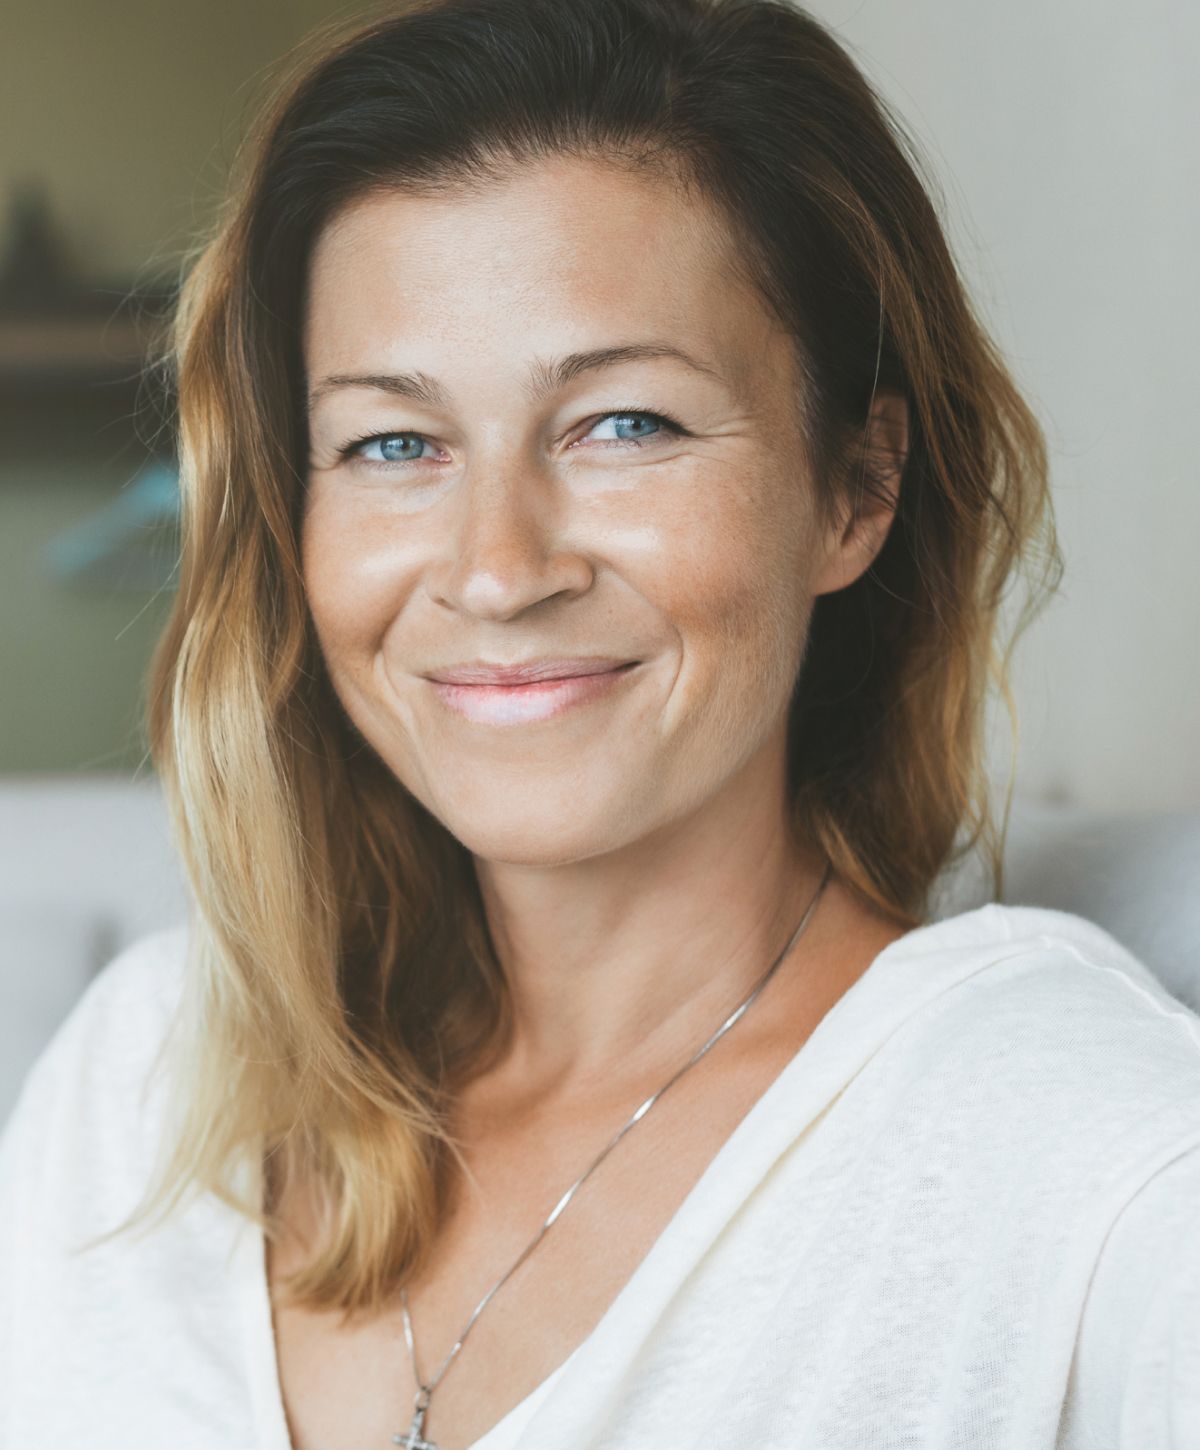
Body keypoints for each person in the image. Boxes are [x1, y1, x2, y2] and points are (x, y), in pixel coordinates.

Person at [2, 0, 1198, 1446]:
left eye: (623, 424)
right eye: (393, 443)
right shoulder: (140, 1078)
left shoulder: (1094, 1159)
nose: (499, 569)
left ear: (855, 487)